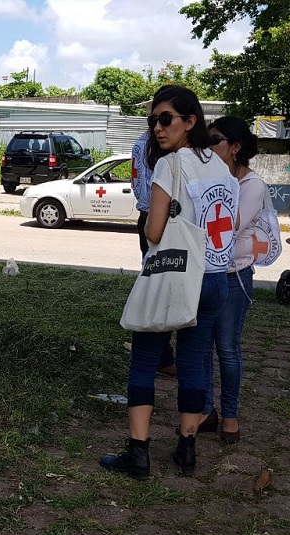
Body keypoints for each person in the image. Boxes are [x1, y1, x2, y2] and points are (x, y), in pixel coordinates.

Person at [100, 85, 239, 478]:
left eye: (166, 119)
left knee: (144, 360)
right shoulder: (221, 165)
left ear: (190, 121)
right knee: (195, 362)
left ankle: (138, 452)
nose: (157, 129)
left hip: (178, 277)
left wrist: (161, 217)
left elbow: (156, 231)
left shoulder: (170, 164)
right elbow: (233, 223)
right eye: (153, 121)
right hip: (215, 280)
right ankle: (187, 449)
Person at [205, 115, 268, 444]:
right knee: (200, 348)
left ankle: (230, 416)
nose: (208, 146)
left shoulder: (251, 184)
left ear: (235, 147)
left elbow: (230, 227)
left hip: (232, 277)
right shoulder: (209, 179)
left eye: (215, 140)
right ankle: (204, 411)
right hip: (204, 274)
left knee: (226, 349)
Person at [131, 92, 176, 379]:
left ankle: (158, 355)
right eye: (155, 118)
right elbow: (144, 188)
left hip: (149, 216)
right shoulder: (160, 151)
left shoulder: (141, 143)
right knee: (164, 288)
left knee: (157, 285)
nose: (159, 125)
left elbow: (137, 185)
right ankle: (160, 356)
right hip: (162, 219)